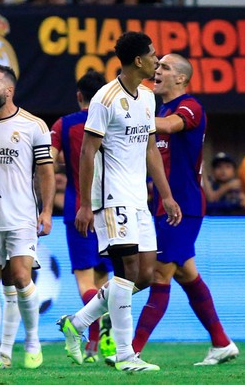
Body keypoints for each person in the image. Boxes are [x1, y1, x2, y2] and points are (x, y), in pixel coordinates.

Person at [57, 31, 181, 372]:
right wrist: (84, 203)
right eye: (153, 55)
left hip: (139, 198)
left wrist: (166, 195)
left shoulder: (146, 96)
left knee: (145, 275)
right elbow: (87, 151)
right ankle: (126, 356)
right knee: (126, 272)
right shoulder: (104, 99)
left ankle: (77, 323)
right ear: (138, 61)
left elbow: (150, 147)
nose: (157, 60)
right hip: (111, 198)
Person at [131, 53, 239, 366]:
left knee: (158, 273)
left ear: (181, 78)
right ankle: (221, 343)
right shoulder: (161, 106)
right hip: (164, 206)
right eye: (158, 65)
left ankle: (132, 351)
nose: (158, 70)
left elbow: (168, 126)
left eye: (164, 67)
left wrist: (128, 118)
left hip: (184, 207)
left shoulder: (189, 106)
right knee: (185, 273)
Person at [0, 64, 54, 370]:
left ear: (8, 90)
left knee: (21, 277)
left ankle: (32, 340)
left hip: (21, 216)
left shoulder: (34, 125)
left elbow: (46, 172)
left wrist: (46, 211)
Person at [50, 70, 113, 363]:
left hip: (79, 210)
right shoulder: (115, 121)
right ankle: (98, 344)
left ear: (79, 96)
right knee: (105, 281)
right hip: (113, 209)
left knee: (86, 283)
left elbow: (46, 160)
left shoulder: (64, 124)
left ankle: (98, 336)